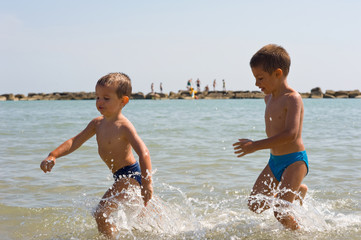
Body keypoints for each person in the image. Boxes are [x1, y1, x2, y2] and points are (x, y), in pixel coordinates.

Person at [40, 73, 153, 238]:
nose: (100, 102)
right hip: (120, 177)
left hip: (130, 175)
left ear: (123, 101)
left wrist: (147, 184)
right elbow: (75, 141)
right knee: (142, 218)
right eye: (97, 97)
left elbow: (144, 152)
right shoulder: (97, 123)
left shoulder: (124, 126)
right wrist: (53, 155)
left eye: (106, 98)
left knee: (101, 213)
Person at [233, 44, 309, 230]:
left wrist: (255, 145)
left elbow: (291, 134)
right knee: (256, 204)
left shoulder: (293, 99)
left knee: (280, 213)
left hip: (294, 161)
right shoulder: (268, 98)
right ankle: (297, 190)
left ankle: (301, 234)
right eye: (255, 78)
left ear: (277, 73)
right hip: (274, 161)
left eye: (260, 78)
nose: (257, 84)